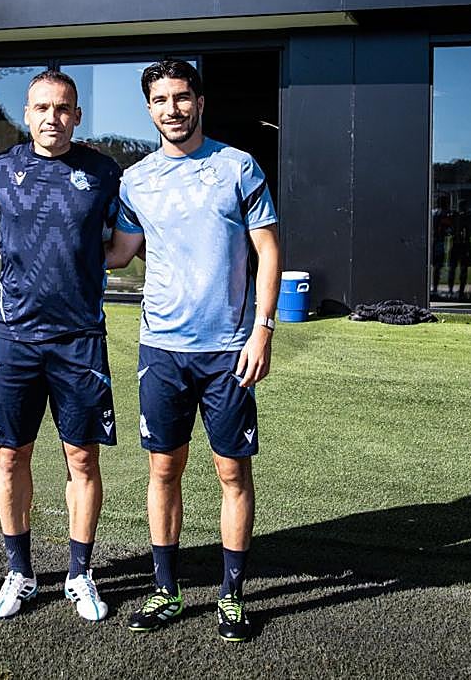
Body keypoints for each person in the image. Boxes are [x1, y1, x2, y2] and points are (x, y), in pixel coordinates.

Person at [104, 59, 281, 642]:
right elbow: (119, 253)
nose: (172, 109)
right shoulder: (137, 180)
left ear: (200, 102)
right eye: (160, 100)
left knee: (232, 471)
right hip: (162, 351)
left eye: (182, 98)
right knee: (164, 470)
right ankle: (166, 589)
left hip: (229, 350)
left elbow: (268, 251)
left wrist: (262, 330)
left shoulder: (238, 167)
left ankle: (232, 595)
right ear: (149, 108)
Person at [0, 70, 122, 622]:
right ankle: (20, 572)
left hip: (80, 339)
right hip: (15, 337)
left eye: (63, 108)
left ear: (77, 116)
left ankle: (80, 574)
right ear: (26, 115)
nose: (52, 118)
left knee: (81, 457)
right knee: (12, 456)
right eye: (41, 108)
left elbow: (124, 247)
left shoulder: (104, 172)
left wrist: (77, 270)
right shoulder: (0, 172)